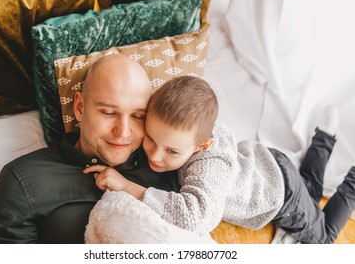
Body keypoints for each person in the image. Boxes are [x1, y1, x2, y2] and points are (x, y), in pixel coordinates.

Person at [84, 75, 355, 244]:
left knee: (322, 237)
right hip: (268, 164)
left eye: (173, 152)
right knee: (311, 188)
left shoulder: (208, 164)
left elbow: (197, 216)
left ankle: (352, 180)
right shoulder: (189, 128)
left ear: (203, 145)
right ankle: (325, 137)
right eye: (151, 139)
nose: (155, 155)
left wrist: (129, 187)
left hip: (280, 196)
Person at [0, 55, 180, 243]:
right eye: (109, 113)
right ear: (80, 108)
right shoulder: (23, 182)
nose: (123, 132)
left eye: (138, 116)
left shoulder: (169, 163)